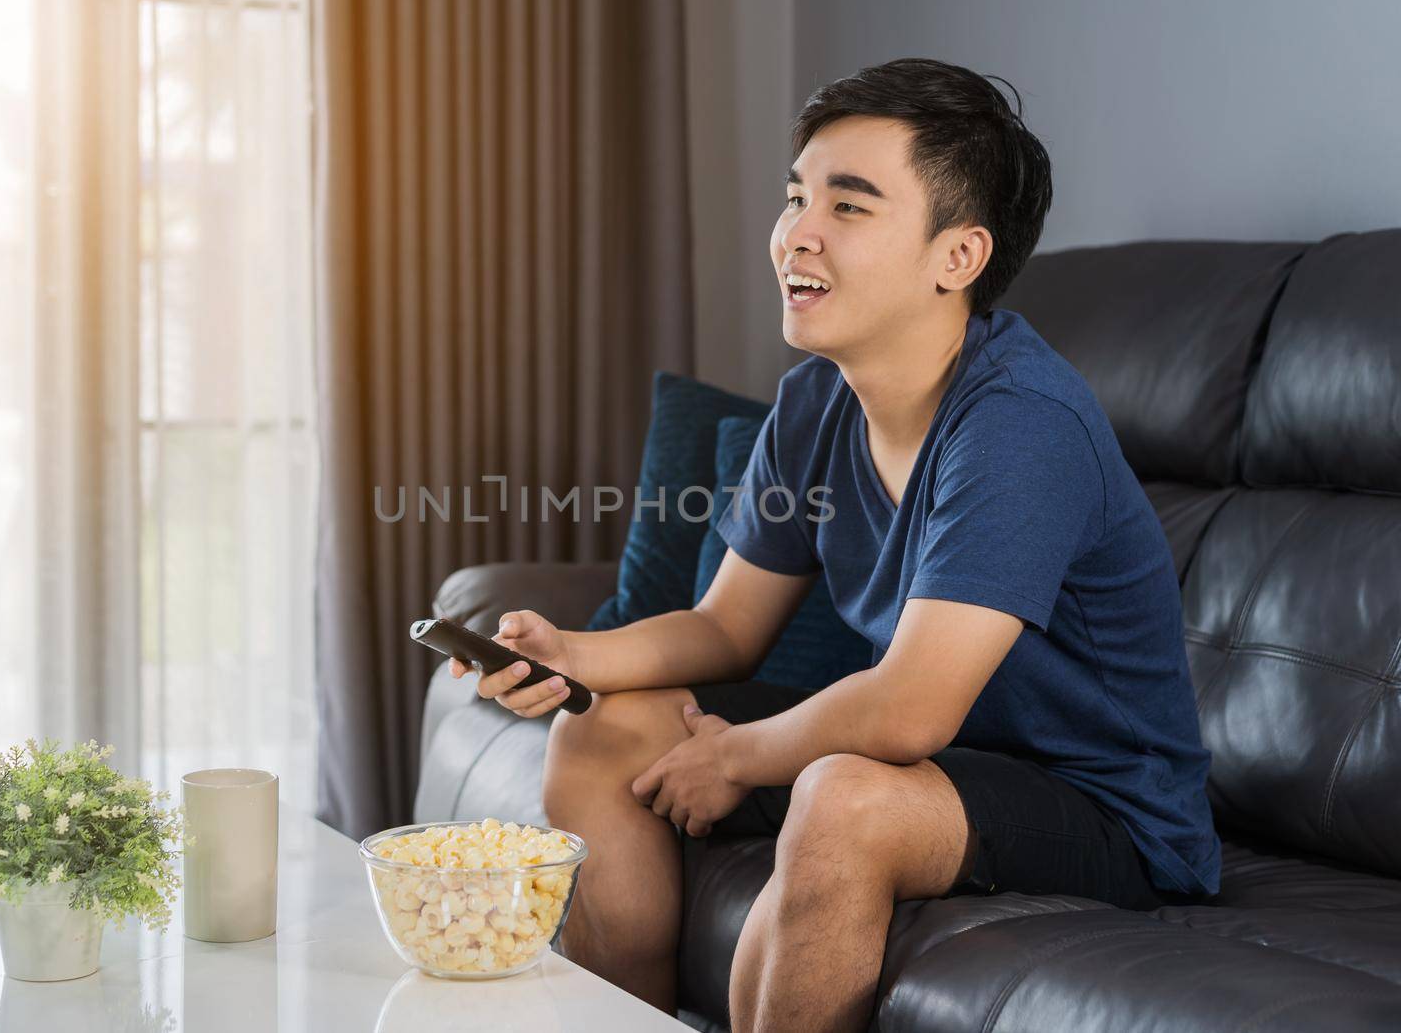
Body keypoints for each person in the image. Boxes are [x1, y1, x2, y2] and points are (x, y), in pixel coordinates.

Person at [448, 57, 1220, 1033]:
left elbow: (906, 710)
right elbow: (726, 626)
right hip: (936, 765)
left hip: (1101, 806)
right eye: (794, 196)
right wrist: (570, 655)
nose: (796, 233)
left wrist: (737, 757)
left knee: (843, 796)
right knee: (604, 731)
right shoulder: (816, 400)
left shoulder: (1019, 424)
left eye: (849, 207)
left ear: (958, 256)